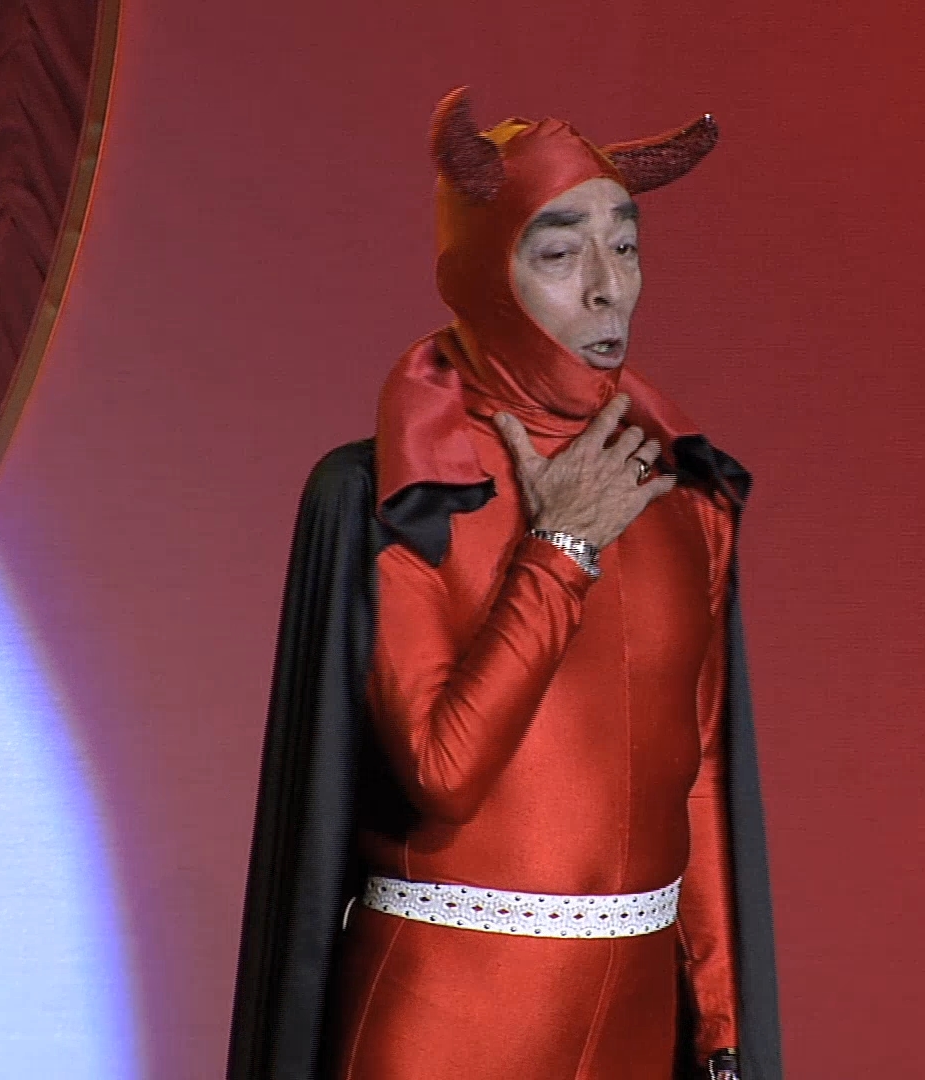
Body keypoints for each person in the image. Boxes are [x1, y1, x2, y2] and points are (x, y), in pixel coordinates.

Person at [227, 87, 783, 1080]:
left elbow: (697, 770)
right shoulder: (403, 494)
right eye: (561, 253)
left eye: (626, 245)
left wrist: (722, 1026)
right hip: (449, 1024)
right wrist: (561, 549)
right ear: (486, 271)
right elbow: (443, 772)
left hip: (635, 1029)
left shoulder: (685, 495)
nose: (609, 288)